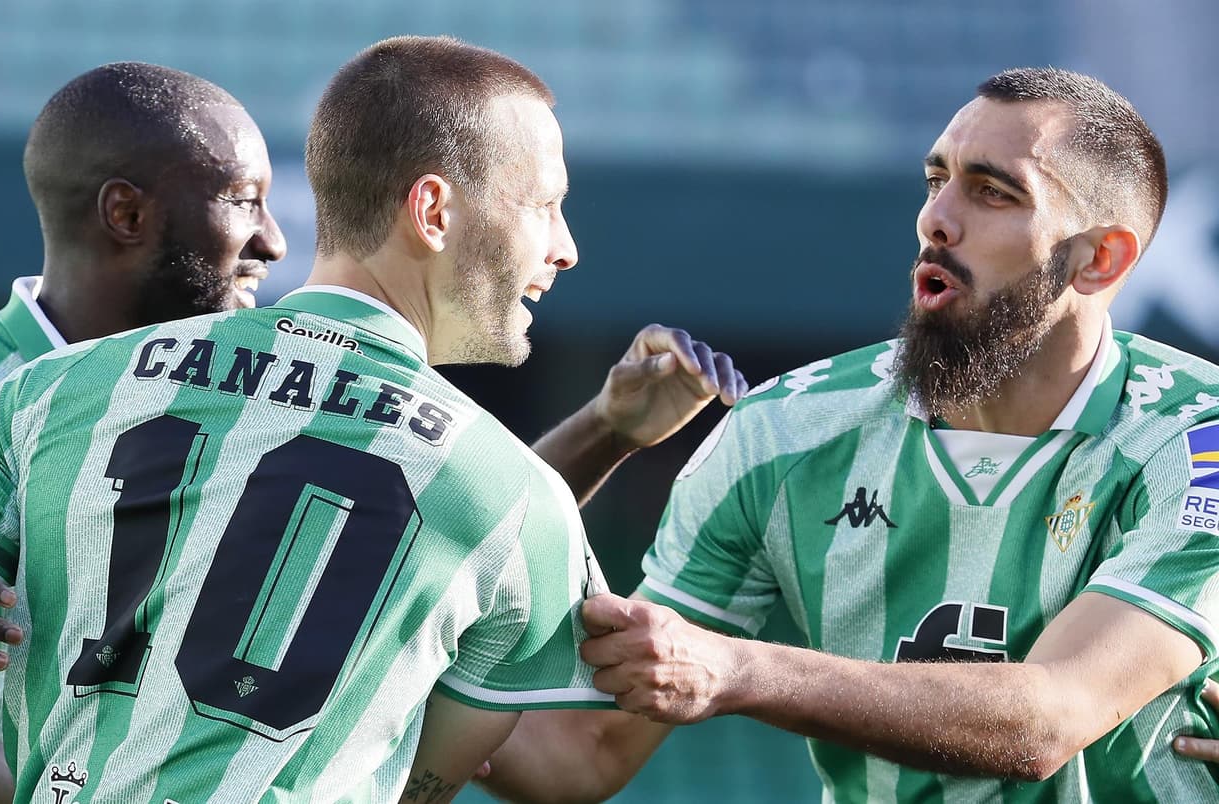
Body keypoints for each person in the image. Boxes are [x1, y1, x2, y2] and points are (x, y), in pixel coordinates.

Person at [0, 36, 744, 803]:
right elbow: (488, 766)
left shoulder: (48, 391)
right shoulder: (518, 496)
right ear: (432, 210)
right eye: (546, 207)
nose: (565, 248)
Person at [482, 67, 1219, 802]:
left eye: (994, 192)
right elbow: (581, 755)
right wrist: (408, 679)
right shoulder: (778, 432)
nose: (937, 218)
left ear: (1100, 260)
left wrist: (739, 669)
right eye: (937, 179)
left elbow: (1048, 721)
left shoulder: (1196, 435)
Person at [0, 60, 287, 795]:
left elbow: (447, 531)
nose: (272, 243)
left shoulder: (248, 412)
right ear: (126, 215)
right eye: (245, 201)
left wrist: (600, 426)